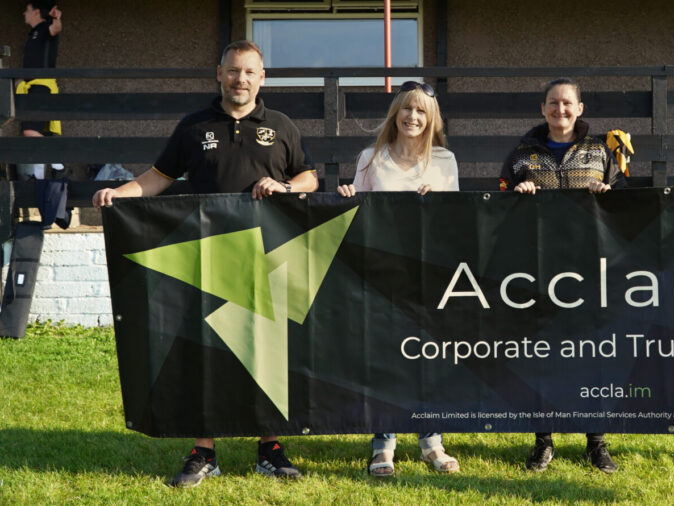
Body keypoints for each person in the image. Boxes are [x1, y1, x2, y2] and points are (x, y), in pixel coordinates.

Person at [93, 40, 318, 488]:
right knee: (206, 351)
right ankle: (204, 450)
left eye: (250, 72)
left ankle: (269, 448)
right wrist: (119, 194)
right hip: (207, 256)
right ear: (219, 73)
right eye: (234, 71)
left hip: (268, 256)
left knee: (266, 350)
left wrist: (285, 187)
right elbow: (159, 178)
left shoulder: (281, 125)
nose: (241, 80)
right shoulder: (194, 126)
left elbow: (308, 177)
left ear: (262, 77)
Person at [499, 77, 625, 474]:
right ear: (542, 109)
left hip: (590, 266)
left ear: (580, 108)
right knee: (542, 355)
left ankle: (596, 442)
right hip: (538, 268)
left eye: (567, 104)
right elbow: (498, 202)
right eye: (553, 104)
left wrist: (607, 190)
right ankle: (543, 441)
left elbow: (626, 204)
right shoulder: (522, 153)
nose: (560, 110)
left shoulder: (604, 150)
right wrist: (515, 195)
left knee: (592, 354)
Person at [337, 80, 460, 477]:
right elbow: (355, 217)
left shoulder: (445, 160)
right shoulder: (371, 157)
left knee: (428, 360)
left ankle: (431, 444)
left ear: (431, 118)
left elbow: (458, 222)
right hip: (382, 275)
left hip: (429, 275)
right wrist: (346, 195)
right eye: (406, 109)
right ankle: (383, 447)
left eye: (421, 111)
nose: (413, 117)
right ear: (396, 114)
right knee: (386, 359)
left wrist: (437, 204)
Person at [17, 1, 64, 179]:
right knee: (37, 133)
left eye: (26, 10)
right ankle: (39, 177)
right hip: (32, 87)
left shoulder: (46, 28)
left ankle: (58, 165)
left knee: (29, 131)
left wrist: (57, 19)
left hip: (42, 87)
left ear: (36, 12)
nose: (24, 13)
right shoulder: (33, 34)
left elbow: (56, 29)